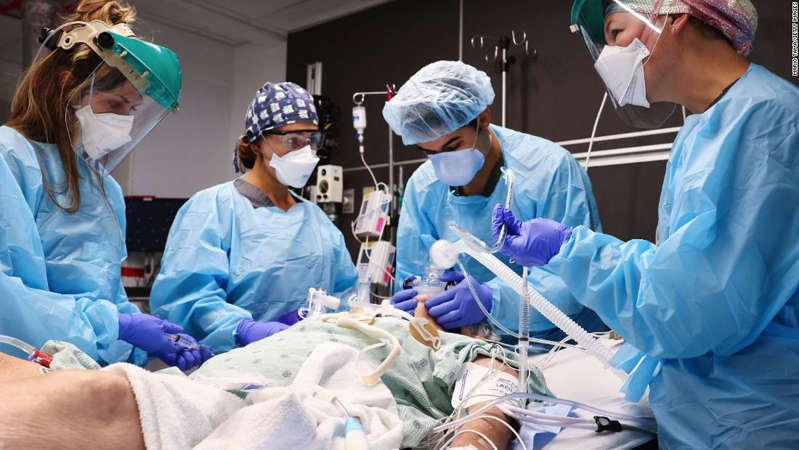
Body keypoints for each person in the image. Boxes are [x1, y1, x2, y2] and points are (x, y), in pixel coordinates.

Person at [492, 0, 799, 447]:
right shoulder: (703, 129)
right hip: (710, 410)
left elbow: (689, 302)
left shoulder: (766, 122)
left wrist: (569, 249)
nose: (607, 56)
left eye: (616, 33)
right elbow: (687, 268)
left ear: (674, 15)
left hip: (755, 418)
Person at [0, 299, 545, 450]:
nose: (427, 300)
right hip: (213, 379)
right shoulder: (337, 317)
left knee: (105, 400)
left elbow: (497, 391)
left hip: (272, 407)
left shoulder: (443, 344)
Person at [0, 0, 209, 370]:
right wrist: (115, 326)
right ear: (68, 87)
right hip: (20, 374)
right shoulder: (9, 158)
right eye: (114, 104)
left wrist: (142, 337)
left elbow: (107, 297)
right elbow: (7, 299)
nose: (124, 124)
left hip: (86, 375)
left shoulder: (104, 190)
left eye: (131, 110)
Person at [382, 60, 604, 342]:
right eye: (430, 153)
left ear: (483, 118)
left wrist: (491, 300)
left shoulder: (549, 170)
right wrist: (414, 303)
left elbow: (574, 280)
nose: (444, 164)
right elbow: (416, 272)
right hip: (473, 347)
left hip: (564, 345)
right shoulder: (423, 187)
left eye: (453, 145)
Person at [150, 81, 359, 354]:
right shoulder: (213, 208)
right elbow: (186, 299)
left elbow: (345, 297)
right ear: (257, 142)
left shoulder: (317, 220)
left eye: (312, 139)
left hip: (310, 362)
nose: (305, 151)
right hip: (230, 365)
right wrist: (243, 329)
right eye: (293, 140)